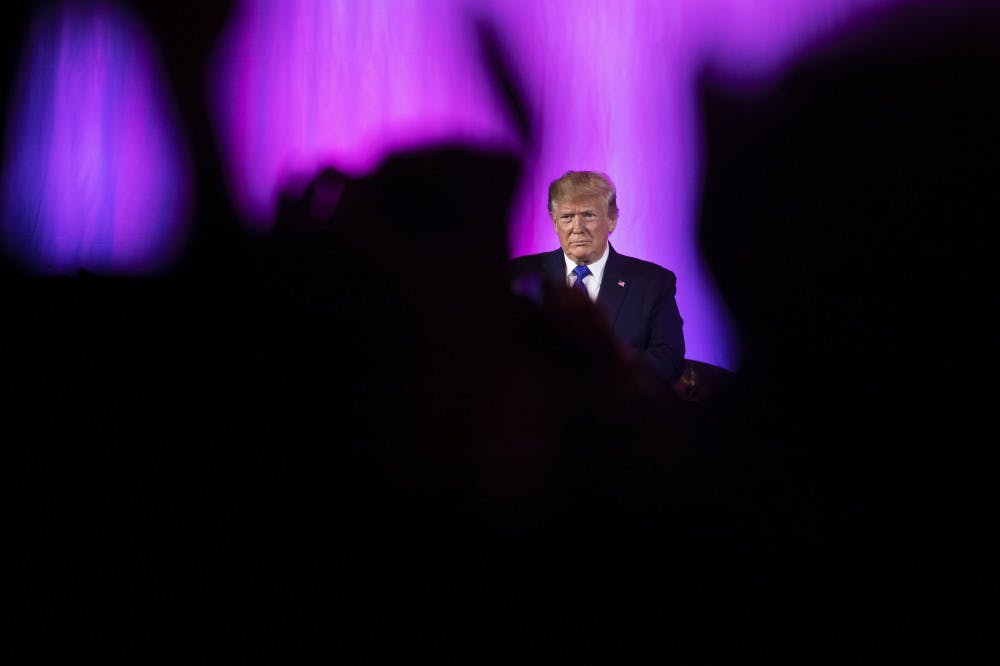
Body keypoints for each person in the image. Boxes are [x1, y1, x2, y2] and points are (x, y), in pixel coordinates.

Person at [509, 170, 686, 386]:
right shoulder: (520, 275)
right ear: (555, 224)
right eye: (567, 217)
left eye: (588, 215)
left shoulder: (653, 283)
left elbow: (668, 360)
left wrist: (604, 375)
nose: (577, 228)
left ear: (612, 220)